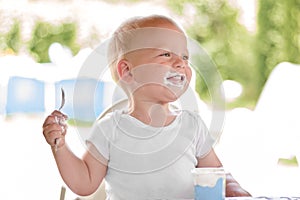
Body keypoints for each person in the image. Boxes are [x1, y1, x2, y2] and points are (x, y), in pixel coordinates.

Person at [42, 14, 251, 199]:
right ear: (127, 71)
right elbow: (84, 183)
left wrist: (235, 189)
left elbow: (215, 175)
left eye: (185, 57)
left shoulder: (192, 125)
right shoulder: (109, 129)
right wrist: (59, 144)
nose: (181, 64)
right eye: (166, 54)